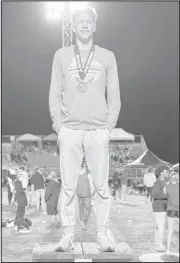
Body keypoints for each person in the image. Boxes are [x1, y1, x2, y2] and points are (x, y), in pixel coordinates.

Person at [49, 6, 121, 252]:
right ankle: (67, 235)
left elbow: (114, 96)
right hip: (70, 129)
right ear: (74, 25)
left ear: (94, 26)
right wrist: (59, 127)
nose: (83, 24)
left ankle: (102, 234)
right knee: (68, 187)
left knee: (101, 188)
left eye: (88, 21)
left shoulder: (107, 56)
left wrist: (108, 128)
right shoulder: (61, 55)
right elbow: (53, 93)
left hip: (97, 130)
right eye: (79, 21)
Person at [151, 164, 171, 251]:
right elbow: (155, 195)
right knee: (161, 225)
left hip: (163, 205)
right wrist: (166, 189)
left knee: (160, 225)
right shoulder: (158, 182)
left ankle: (158, 243)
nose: (168, 173)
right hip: (159, 205)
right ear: (161, 172)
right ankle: (159, 244)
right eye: (167, 171)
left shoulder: (164, 182)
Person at [161, 171, 179, 254]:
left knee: (170, 230)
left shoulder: (167, 187)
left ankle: (168, 249)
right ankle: (168, 249)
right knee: (171, 230)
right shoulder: (170, 186)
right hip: (174, 209)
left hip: (172, 210)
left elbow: (164, 194)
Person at [76, 160, 94, 230]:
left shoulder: (77, 174)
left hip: (80, 194)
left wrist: (76, 192)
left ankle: (82, 222)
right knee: (88, 209)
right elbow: (91, 185)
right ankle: (84, 221)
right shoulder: (88, 175)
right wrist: (91, 193)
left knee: (81, 209)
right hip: (87, 194)